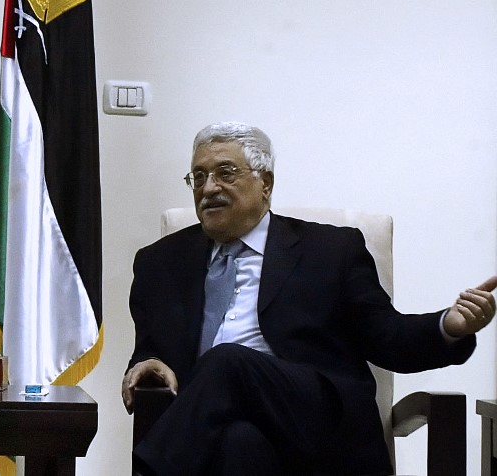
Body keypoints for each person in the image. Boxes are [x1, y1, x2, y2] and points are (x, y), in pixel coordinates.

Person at [123, 122, 497, 476]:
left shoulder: (331, 250)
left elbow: (388, 337)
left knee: (227, 361)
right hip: (220, 430)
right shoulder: (160, 262)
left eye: (225, 173)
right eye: (199, 176)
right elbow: (153, 349)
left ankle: (152, 470)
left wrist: (449, 326)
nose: (208, 188)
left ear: (265, 183)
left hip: (318, 421)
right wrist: (147, 360)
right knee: (239, 441)